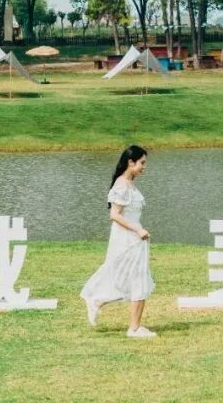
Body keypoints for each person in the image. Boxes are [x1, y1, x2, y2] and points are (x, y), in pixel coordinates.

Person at [81, 145, 156, 338]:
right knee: (136, 279)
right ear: (131, 162)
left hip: (135, 238)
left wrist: (139, 231)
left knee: (135, 280)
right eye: (142, 163)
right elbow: (114, 215)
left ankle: (99, 302)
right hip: (127, 239)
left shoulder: (129, 183)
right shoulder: (122, 185)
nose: (144, 167)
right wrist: (137, 230)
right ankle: (134, 328)